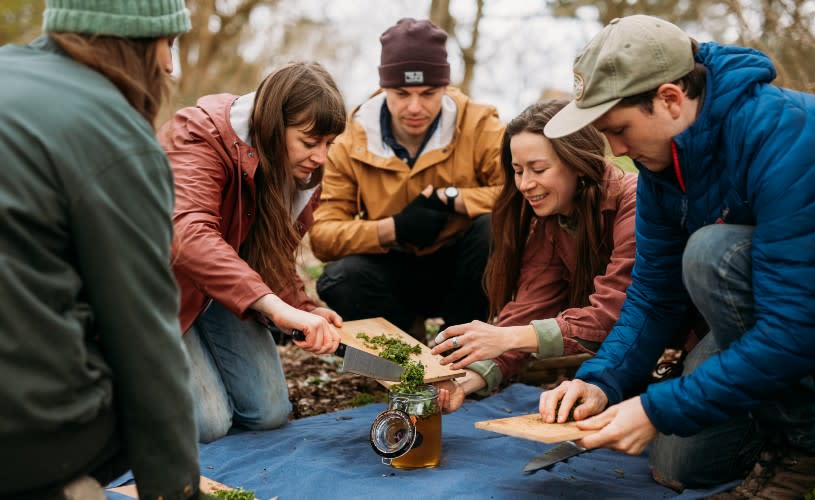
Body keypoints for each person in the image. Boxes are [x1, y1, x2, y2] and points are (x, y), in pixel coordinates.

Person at [538, 15, 815, 499]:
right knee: (676, 463)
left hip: (798, 320)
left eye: (620, 129)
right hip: (782, 323)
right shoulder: (661, 170)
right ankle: (775, 416)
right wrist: (602, 380)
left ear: (670, 98)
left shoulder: (785, 135)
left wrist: (656, 408)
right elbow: (653, 293)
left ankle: (802, 447)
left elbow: (794, 326)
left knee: (711, 253)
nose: (616, 149)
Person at [0, 1, 211, 499]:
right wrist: (177, 490)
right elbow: (145, 343)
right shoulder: (116, 136)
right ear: (141, 42)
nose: (172, 67)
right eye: (171, 45)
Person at [160, 61, 347, 444]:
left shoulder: (299, 172)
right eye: (310, 142)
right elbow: (188, 233)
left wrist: (303, 308)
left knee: (268, 414)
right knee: (209, 424)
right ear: (273, 125)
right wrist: (275, 308)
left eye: (328, 144)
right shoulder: (198, 134)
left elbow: (270, 253)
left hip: (218, 293)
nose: (321, 157)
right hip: (156, 290)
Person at [430, 100, 638, 412]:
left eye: (538, 169)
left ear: (577, 162)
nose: (525, 184)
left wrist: (509, 337)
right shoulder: (553, 223)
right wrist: (465, 381)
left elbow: (614, 313)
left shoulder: (635, 202)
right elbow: (529, 309)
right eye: (517, 171)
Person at [310, 18, 505, 338]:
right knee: (339, 279)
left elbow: (516, 193)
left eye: (428, 93)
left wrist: (453, 199)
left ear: (445, 87)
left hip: (463, 268)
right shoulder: (350, 140)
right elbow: (323, 236)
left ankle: (465, 345)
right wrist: (393, 228)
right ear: (384, 87)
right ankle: (406, 346)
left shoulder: (480, 124)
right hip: (392, 266)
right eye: (401, 93)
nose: (415, 107)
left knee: (494, 227)